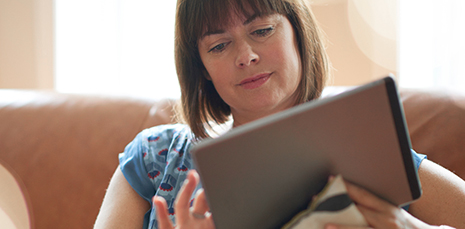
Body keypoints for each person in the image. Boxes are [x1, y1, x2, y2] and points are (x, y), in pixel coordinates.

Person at [94, 0, 465, 228]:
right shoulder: (155, 158)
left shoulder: (368, 148)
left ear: (297, 34)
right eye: (219, 45)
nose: (245, 56)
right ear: (202, 68)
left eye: (262, 30)